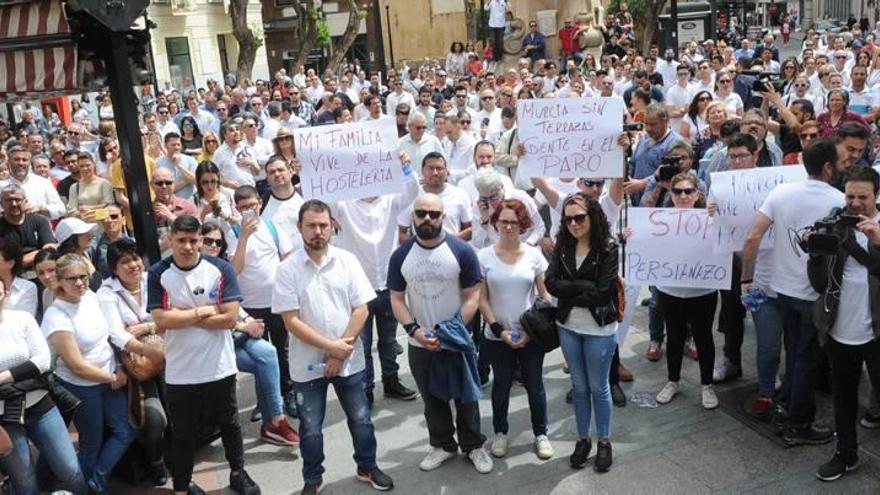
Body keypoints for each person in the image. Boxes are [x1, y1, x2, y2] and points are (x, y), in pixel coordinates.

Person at [272, 200, 394, 494]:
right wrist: (333, 348)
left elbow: (362, 308)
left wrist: (341, 352)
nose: (318, 231)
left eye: (323, 225)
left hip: (348, 361)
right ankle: (312, 479)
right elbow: (292, 321)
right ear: (299, 228)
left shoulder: (347, 260)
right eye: (311, 225)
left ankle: (367, 465)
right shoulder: (287, 269)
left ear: (332, 226)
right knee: (311, 428)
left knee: (361, 418)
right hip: (307, 366)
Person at [741, 138, 844, 446]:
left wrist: (746, 279)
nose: (841, 167)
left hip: (782, 290)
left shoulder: (781, 192)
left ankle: (785, 406)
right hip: (814, 295)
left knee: (797, 353)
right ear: (828, 167)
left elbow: (752, 236)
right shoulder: (838, 199)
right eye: (838, 162)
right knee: (807, 359)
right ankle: (798, 424)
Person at [147, 215, 260, 495]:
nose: (187, 246)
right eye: (181, 240)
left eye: (193, 240)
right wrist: (202, 311)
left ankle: (237, 472)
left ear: (200, 240)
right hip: (181, 372)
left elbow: (230, 318)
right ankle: (183, 486)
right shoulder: (158, 273)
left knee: (231, 424)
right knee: (183, 433)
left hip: (219, 366)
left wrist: (180, 314)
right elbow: (161, 320)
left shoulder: (220, 269)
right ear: (170, 239)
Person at [388, 193, 492, 475]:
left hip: (456, 340)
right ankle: (443, 445)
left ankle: (473, 445)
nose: (427, 219)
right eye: (421, 213)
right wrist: (414, 330)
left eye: (434, 214)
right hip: (419, 342)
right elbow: (397, 298)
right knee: (431, 398)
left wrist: (452, 329)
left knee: (466, 397)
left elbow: (473, 295)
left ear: (443, 217)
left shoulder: (462, 250)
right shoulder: (401, 255)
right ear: (413, 216)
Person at [43, 253, 162, 494]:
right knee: (91, 442)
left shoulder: (91, 297)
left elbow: (109, 336)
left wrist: (118, 367)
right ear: (60, 280)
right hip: (83, 387)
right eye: (72, 278)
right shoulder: (56, 316)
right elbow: (77, 365)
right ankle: (90, 488)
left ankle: (96, 478)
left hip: (111, 378)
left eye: (83, 277)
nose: (79, 283)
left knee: (124, 431)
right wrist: (113, 378)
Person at [807, 168, 880, 481]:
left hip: (877, 332)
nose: (855, 203)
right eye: (850, 196)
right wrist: (814, 254)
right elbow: (819, 283)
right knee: (844, 395)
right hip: (839, 329)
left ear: (875, 196)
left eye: (862, 197)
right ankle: (846, 454)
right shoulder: (835, 226)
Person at [199, 223, 299, 446]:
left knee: (269, 352)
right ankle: (273, 421)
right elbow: (204, 314)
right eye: (208, 240)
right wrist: (241, 324)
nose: (213, 246)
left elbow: (234, 304)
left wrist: (248, 320)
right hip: (212, 345)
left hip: (233, 335)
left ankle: (275, 419)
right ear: (198, 240)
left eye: (218, 242)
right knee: (263, 360)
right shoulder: (192, 271)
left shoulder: (222, 269)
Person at [330, 159, 420, 406]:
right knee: (364, 343)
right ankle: (366, 389)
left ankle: (391, 381)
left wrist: (406, 166)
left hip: (389, 284)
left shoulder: (391, 200)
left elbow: (413, 189)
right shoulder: (343, 205)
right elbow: (322, 196)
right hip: (360, 289)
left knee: (389, 340)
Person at [545, 192, 618, 471]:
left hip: (599, 328)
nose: (574, 224)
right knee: (579, 387)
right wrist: (584, 287)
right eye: (568, 219)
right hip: (568, 327)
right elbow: (551, 283)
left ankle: (604, 441)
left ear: (592, 216)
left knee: (599, 387)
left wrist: (571, 290)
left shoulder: (608, 248)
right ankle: (583, 438)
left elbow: (602, 294)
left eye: (579, 218)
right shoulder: (563, 246)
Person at [478, 198, 553, 460]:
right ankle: (500, 432)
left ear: (522, 225)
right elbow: (482, 299)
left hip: (530, 336)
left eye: (514, 222)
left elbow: (544, 295)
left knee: (535, 384)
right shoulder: (483, 256)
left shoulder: (534, 255)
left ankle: (541, 433)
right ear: (495, 223)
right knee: (500, 386)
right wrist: (500, 330)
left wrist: (531, 332)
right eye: (503, 221)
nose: (508, 227)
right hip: (497, 337)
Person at [0, 275, 87, 495]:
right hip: (4, 416)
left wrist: (3, 377)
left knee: (70, 470)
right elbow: (32, 364)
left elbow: (42, 360)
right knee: (25, 482)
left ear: (6, 293)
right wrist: (22, 373)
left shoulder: (22, 319)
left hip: (41, 406)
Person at [96, 239, 169, 486]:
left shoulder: (155, 279)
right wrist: (145, 346)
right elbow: (115, 333)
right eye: (124, 262)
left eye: (135, 258)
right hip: (137, 367)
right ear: (114, 269)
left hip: (170, 356)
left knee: (181, 408)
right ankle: (156, 461)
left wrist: (144, 326)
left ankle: (178, 456)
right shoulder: (106, 294)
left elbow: (170, 315)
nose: (133, 265)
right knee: (152, 417)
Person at [648, 173, 719, 409]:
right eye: (678, 191)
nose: (683, 196)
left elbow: (729, 237)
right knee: (675, 337)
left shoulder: (711, 217)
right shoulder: (660, 220)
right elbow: (646, 242)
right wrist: (631, 236)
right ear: (671, 194)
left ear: (697, 194)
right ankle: (673, 381)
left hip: (703, 291)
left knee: (703, 337)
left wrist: (720, 217)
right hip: (671, 290)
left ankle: (707, 384)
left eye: (688, 191)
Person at [230, 185, 298, 419]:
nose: (249, 210)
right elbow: (234, 269)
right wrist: (244, 238)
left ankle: (288, 393)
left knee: (283, 350)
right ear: (237, 209)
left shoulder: (272, 226)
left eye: (252, 205)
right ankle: (265, 401)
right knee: (260, 354)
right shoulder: (233, 233)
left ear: (260, 203)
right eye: (243, 207)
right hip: (250, 306)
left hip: (276, 301)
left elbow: (287, 259)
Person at [0, 185, 56, 278]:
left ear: (25, 202)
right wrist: (37, 253)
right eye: (9, 200)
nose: (13, 204)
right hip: (10, 275)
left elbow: (50, 249)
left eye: (18, 200)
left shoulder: (39, 221)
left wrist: (20, 261)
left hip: (40, 271)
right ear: (1, 204)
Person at [1, 146, 65, 220]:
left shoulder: (43, 183)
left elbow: (61, 209)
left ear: (29, 163)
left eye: (24, 160)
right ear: (9, 162)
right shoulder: (2, 185)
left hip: (39, 229)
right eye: (16, 159)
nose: (21, 163)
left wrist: (40, 208)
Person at [66, 153, 113, 221]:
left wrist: (88, 210)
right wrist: (101, 207)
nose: (85, 169)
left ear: (94, 165)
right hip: (84, 229)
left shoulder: (104, 184)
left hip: (103, 228)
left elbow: (110, 209)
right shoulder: (74, 187)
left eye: (88, 165)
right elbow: (71, 211)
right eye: (81, 166)